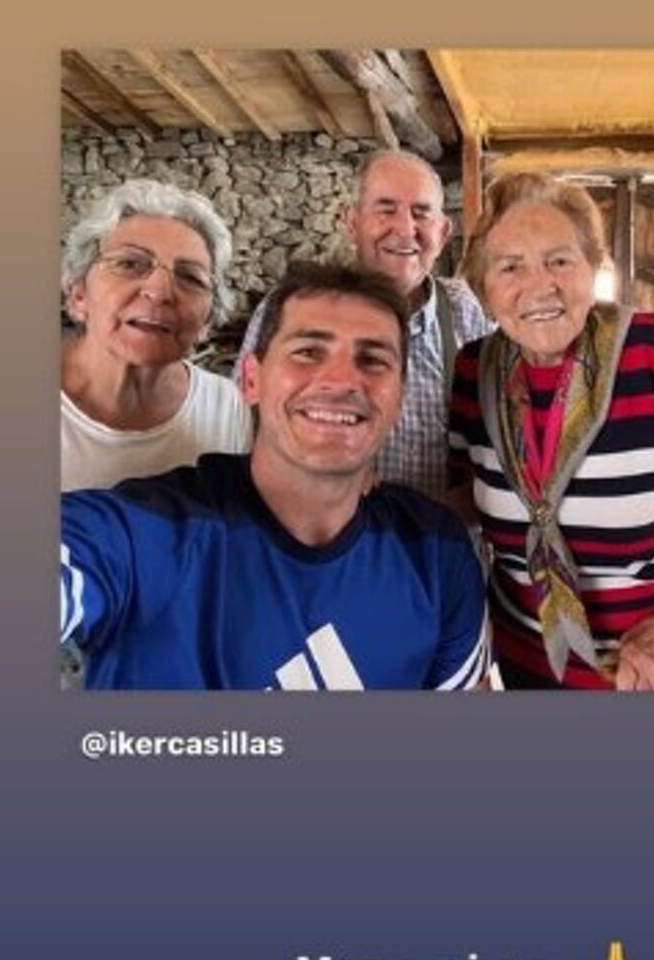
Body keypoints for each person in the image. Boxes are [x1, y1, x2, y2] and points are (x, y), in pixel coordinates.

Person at [61, 264, 490, 691]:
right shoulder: (147, 534)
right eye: (308, 352)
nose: (341, 379)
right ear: (251, 380)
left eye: (373, 359)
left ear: (399, 399)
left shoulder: (434, 551)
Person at [449, 173, 654, 691]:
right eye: (510, 266)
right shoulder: (475, 371)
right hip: (533, 667)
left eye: (560, 260)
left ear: (594, 269)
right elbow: (465, 500)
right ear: (483, 288)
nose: (540, 286)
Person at [238, 149, 490, 494]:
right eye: (386, 210)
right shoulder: (292, 307)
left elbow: (487, 439)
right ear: (352, 223)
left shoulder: (463, 310)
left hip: (431, 539)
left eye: (421, 213)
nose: (405, 229)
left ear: (444, 232)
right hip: (313, 536)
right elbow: (242, 428)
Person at [62, 179, 252, 491]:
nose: (159, 291)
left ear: (207, 321)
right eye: (130, 264)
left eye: (190, 277)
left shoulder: (227, 409)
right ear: (78, 294)